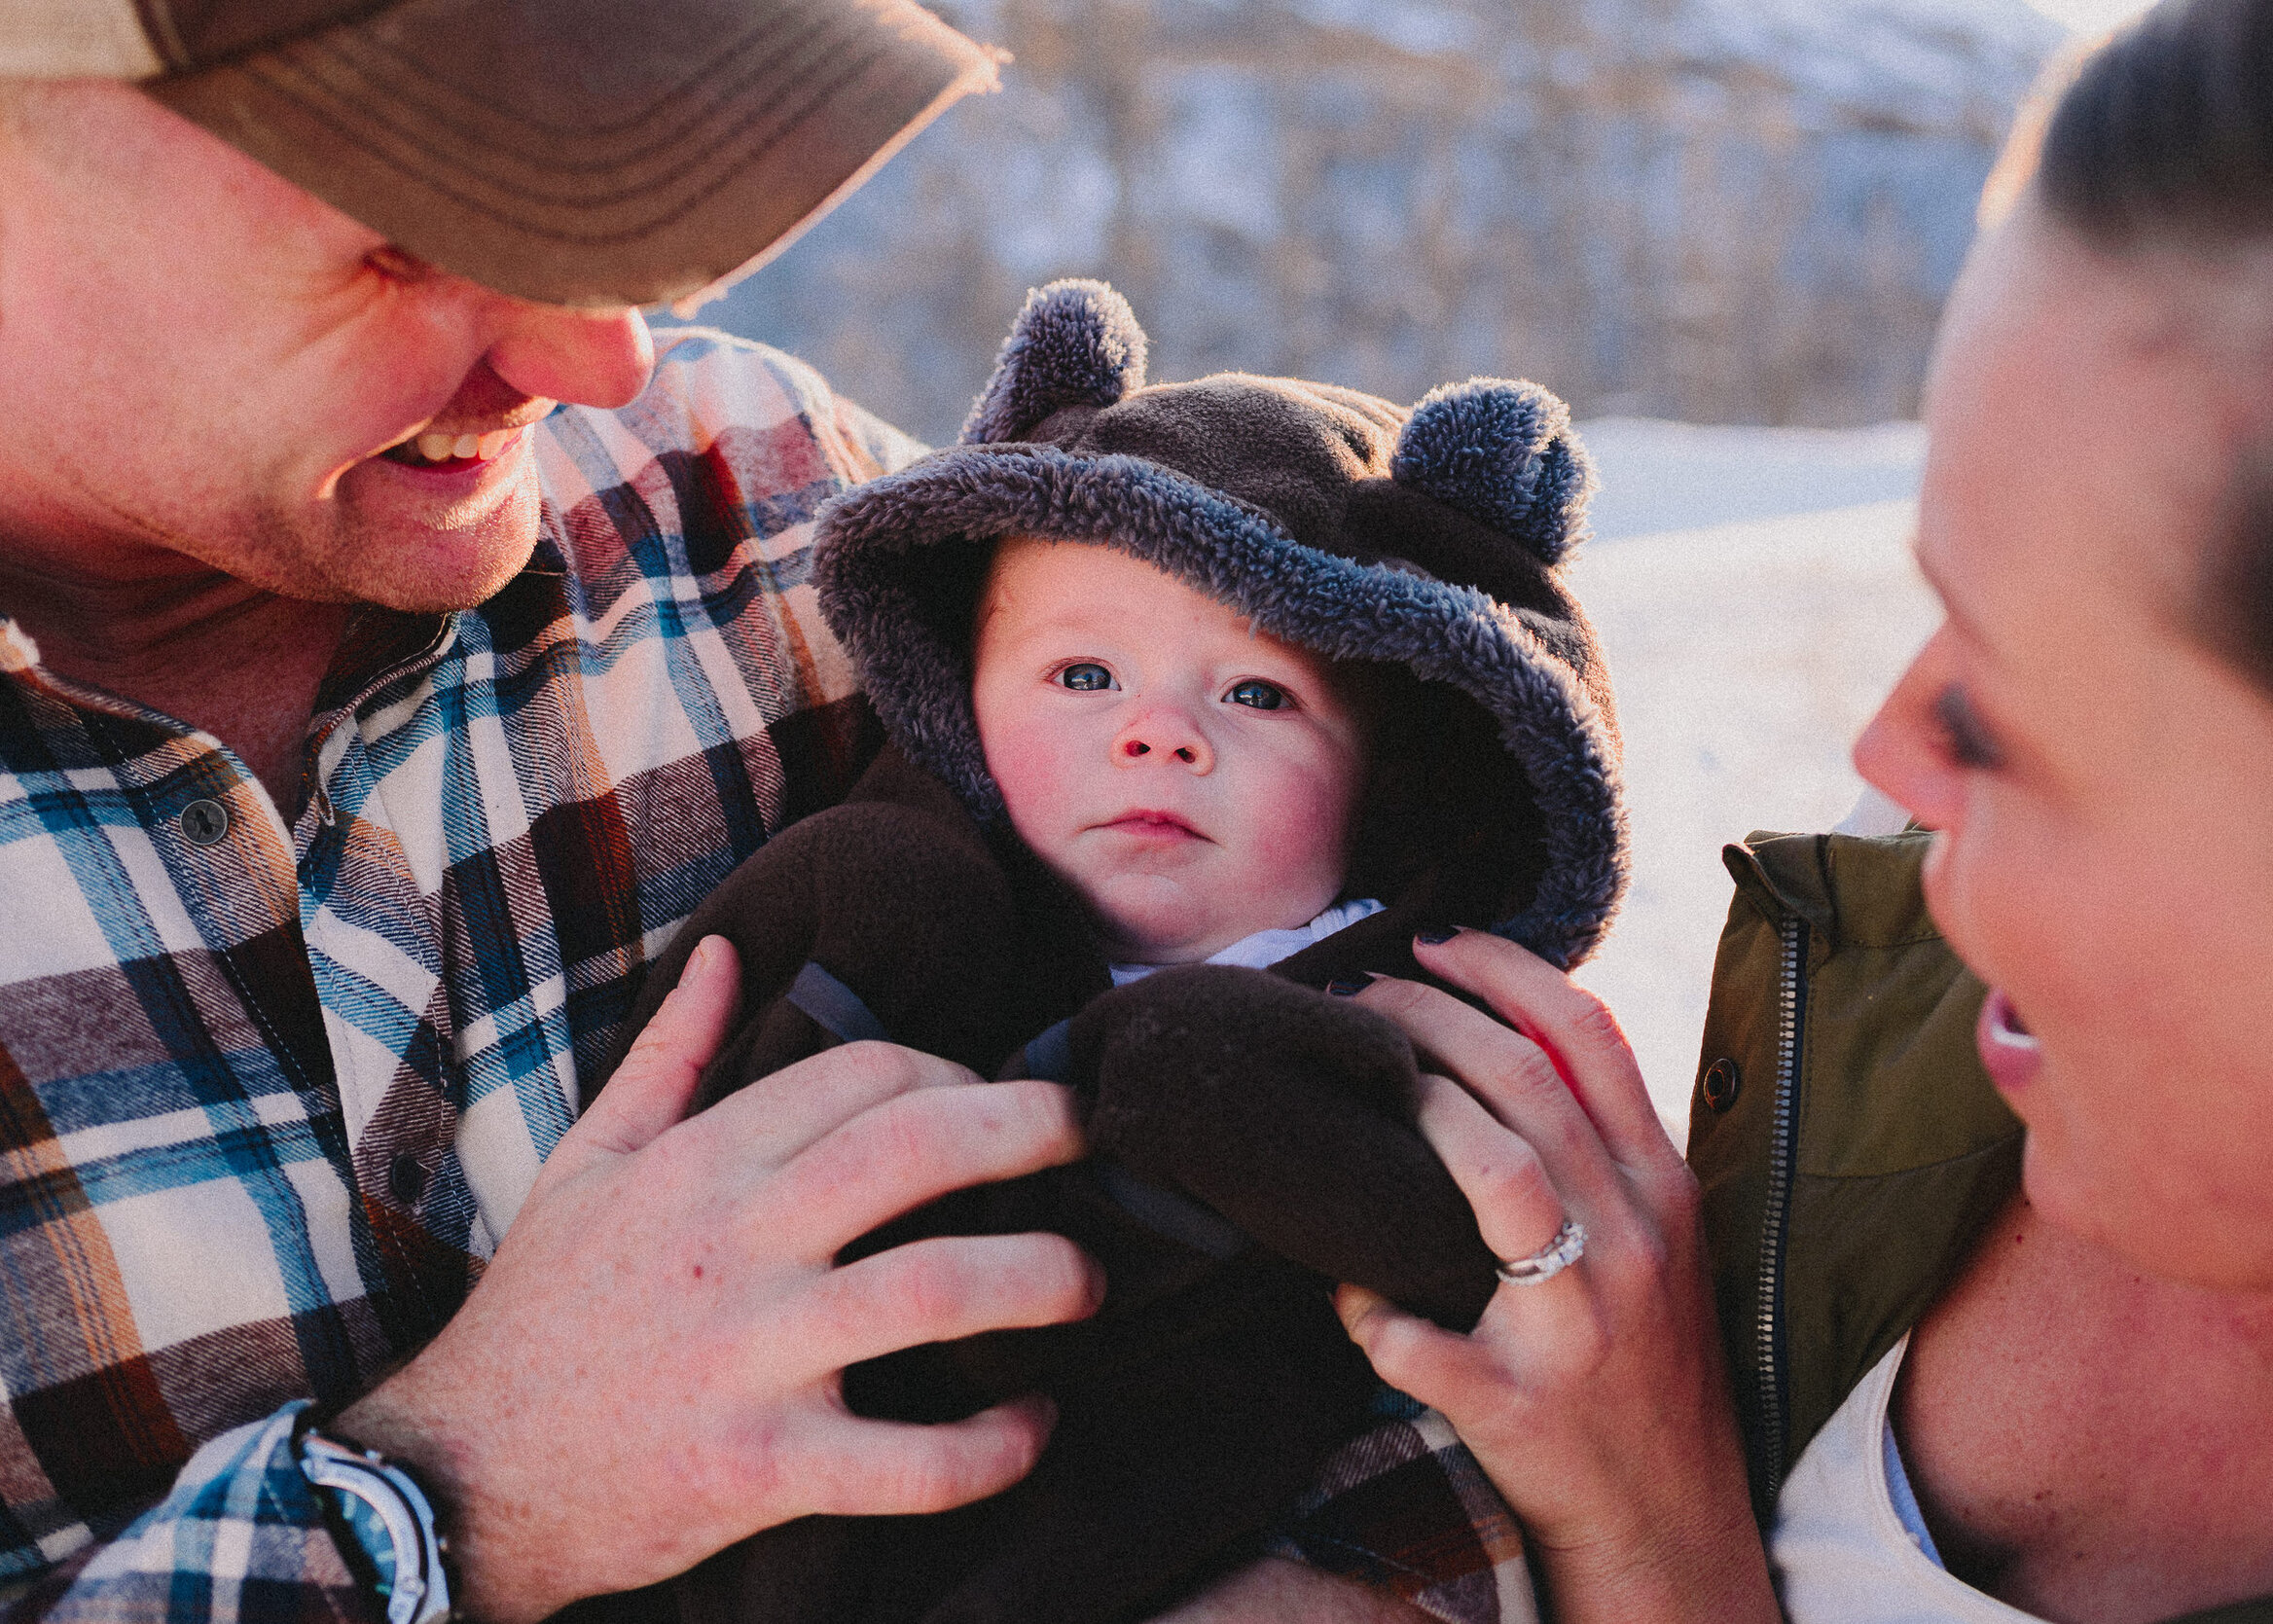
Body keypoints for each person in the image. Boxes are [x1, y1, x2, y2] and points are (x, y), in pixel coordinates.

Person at [0, 7, 1539, 1622]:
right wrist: (452, 1500)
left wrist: (1354, 1590)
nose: (607, 358)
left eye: (605, 197)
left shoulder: (769, 516)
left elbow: (1400, 1304)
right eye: (411, 238)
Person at [1319, 0, 2273, 1619]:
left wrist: (1663, 1542)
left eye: (2033, 695)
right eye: (1947, 612)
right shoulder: (1927, 942)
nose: (1892, 753)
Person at [591, 279, 1624, 1624]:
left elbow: (1475, 1268)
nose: (1159, 734)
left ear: (1386, 789)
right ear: (963, 698)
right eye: (1084, 676)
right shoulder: (904, 905)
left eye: (1257, 694)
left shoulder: (1415, 1014)